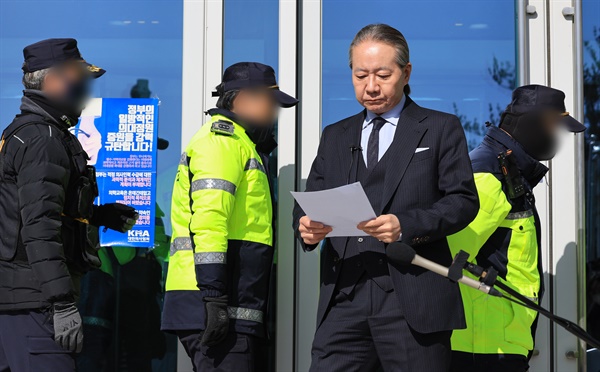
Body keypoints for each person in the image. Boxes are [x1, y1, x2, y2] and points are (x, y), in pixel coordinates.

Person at [292, 23, 479, 371]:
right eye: (361, 75)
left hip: (413, 298)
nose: (371, 86)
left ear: (406, 73)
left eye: (383, 74)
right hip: (344, 296)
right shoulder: (335, 135)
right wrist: (305, 226)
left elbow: (464, 201)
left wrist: (405, 225)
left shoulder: (440, 127)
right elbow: (306, 203)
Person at [0, 38, 139, 372]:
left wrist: (95, 215)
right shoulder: (43, 140)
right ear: (53, 79)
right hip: (35, 302)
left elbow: (31, 213)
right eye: (79, 78)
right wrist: (61, 303)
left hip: (21, 300)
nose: (85, 89)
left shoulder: (32, 134)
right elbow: (39, 228)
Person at [162, 62, 298, 371]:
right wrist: (214, 299)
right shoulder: (223, 143)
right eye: (269, 103)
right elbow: (209, 222)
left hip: (224, 303)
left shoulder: (239, 144)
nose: (274, 114)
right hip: (214, 303)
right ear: (243, 100)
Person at [448, 85, 586, 372]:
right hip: (482, 345)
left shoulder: (508, 170)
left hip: (500, 340)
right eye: (554, 126)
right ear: (533, 124)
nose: (556, 137)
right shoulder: (489, 174)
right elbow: (452, 257)